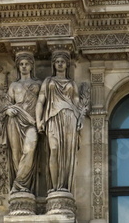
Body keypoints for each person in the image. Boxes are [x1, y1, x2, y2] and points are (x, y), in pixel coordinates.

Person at [35, 51, 83, 193]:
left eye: (62, 61)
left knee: (66, 154)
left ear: (67, 64)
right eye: (57, 62)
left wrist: (80, 117)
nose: (60, 64)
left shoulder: (71, 83)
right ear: (54, 64)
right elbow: (40, 101)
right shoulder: (48, 81)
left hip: (69, 117)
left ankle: (64, 187)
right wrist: (38, 120)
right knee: (54, 149)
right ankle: (54, 187)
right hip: (52, 117)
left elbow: (77, 103)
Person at [4, 53, 41, 193]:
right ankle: (20, 188)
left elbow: (44, 103)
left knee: (29, 149)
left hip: (32, 122)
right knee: (16, 154)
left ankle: (20, 184)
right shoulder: (14, 85)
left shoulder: (38, 84)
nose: (24, 66)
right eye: (21, 64)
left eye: (26, 64)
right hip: (15, 120)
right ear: (18, 67)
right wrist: (8, 110)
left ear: (32, 65)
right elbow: (7, 103)